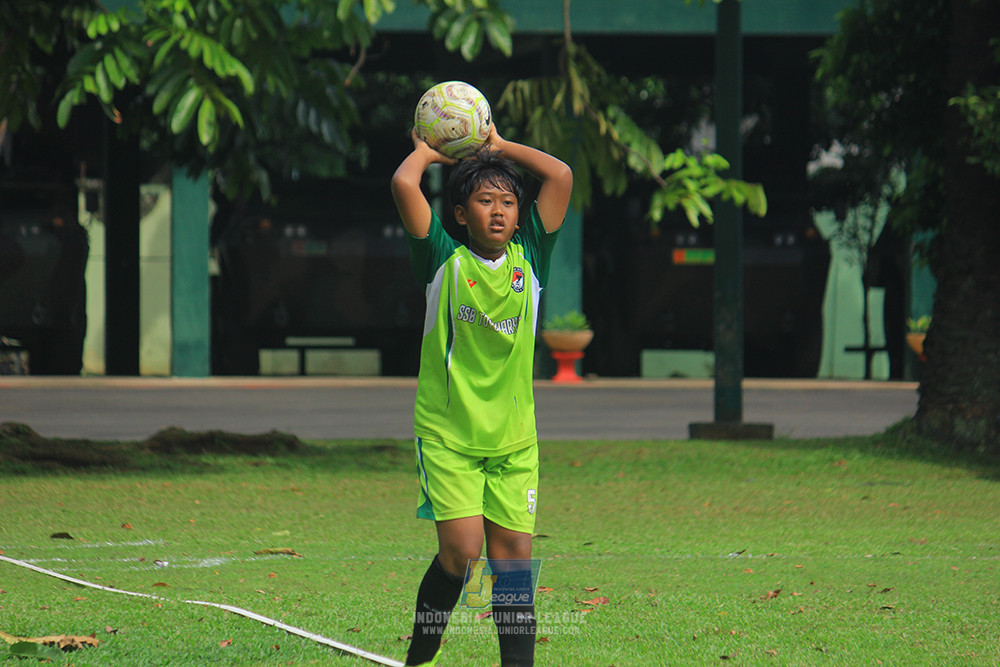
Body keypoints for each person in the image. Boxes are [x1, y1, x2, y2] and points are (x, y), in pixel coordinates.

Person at [390, 123, 573, 667]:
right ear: (461, 213)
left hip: (514, 441)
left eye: (508, 202)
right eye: (485, 201)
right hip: (449, 438)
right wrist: (427, 152)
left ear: (519, 215)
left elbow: (560, 176)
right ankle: (419, 658)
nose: (498, 212)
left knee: (513, 566)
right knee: (464, 556)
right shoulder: (442, 260)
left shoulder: (531, 257)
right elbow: (404, 184)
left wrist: (498, 147)